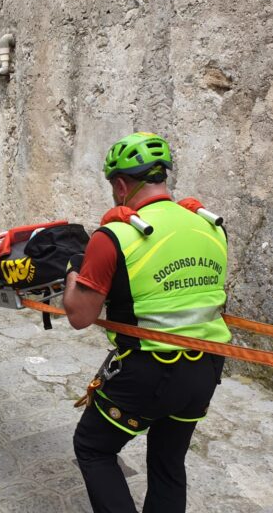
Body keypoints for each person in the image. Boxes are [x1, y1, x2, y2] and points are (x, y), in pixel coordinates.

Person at [62, 132, 231, 513]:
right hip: (205, 367)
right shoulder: (211, 226)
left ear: (121, 184)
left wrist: (75, 267)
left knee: (93, 448)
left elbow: (79, 316)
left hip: (147, 371)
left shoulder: (115, 236)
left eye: (111, 187)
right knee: (168, 463)